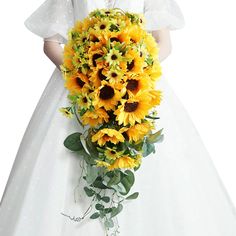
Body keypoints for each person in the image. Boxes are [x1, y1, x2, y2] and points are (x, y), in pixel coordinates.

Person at [1, 0, 236, 235]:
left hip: (136, 87)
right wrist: (85, 76)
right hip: (79, 87)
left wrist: (133, 73)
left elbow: (164, 43)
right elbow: (51, 44)